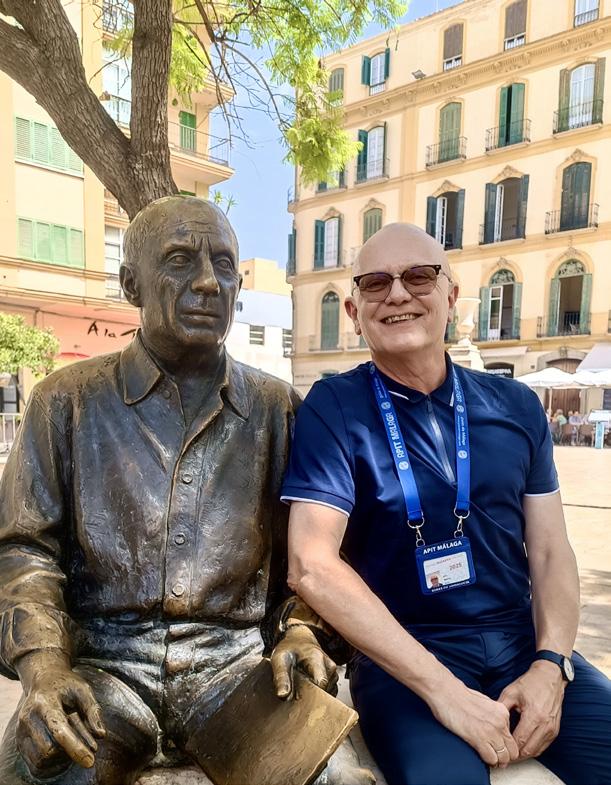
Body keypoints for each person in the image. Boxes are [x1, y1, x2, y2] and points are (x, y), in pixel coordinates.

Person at [0, 196, 370, 785]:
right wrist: (44, 667)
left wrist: (303, 630)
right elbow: (24, 552)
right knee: (41, 769)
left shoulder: (279, 410)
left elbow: (320, 555)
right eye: (179, 260)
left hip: (239, 674)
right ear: (131, 284)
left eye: (224, 265)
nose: (207, 282)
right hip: (101, 670)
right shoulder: (63, 402)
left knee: (327, 778)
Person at [281, 223, 611, 785]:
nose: (398, 294)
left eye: (418, 276)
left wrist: (552, 665)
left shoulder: (516, 406)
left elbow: (551, 551)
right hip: (403, 660)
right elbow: (311, 564)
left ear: (452, 297)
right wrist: (445, 693)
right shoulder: (334, 407)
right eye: (376, 282)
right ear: (355, 311)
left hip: (520, 643)